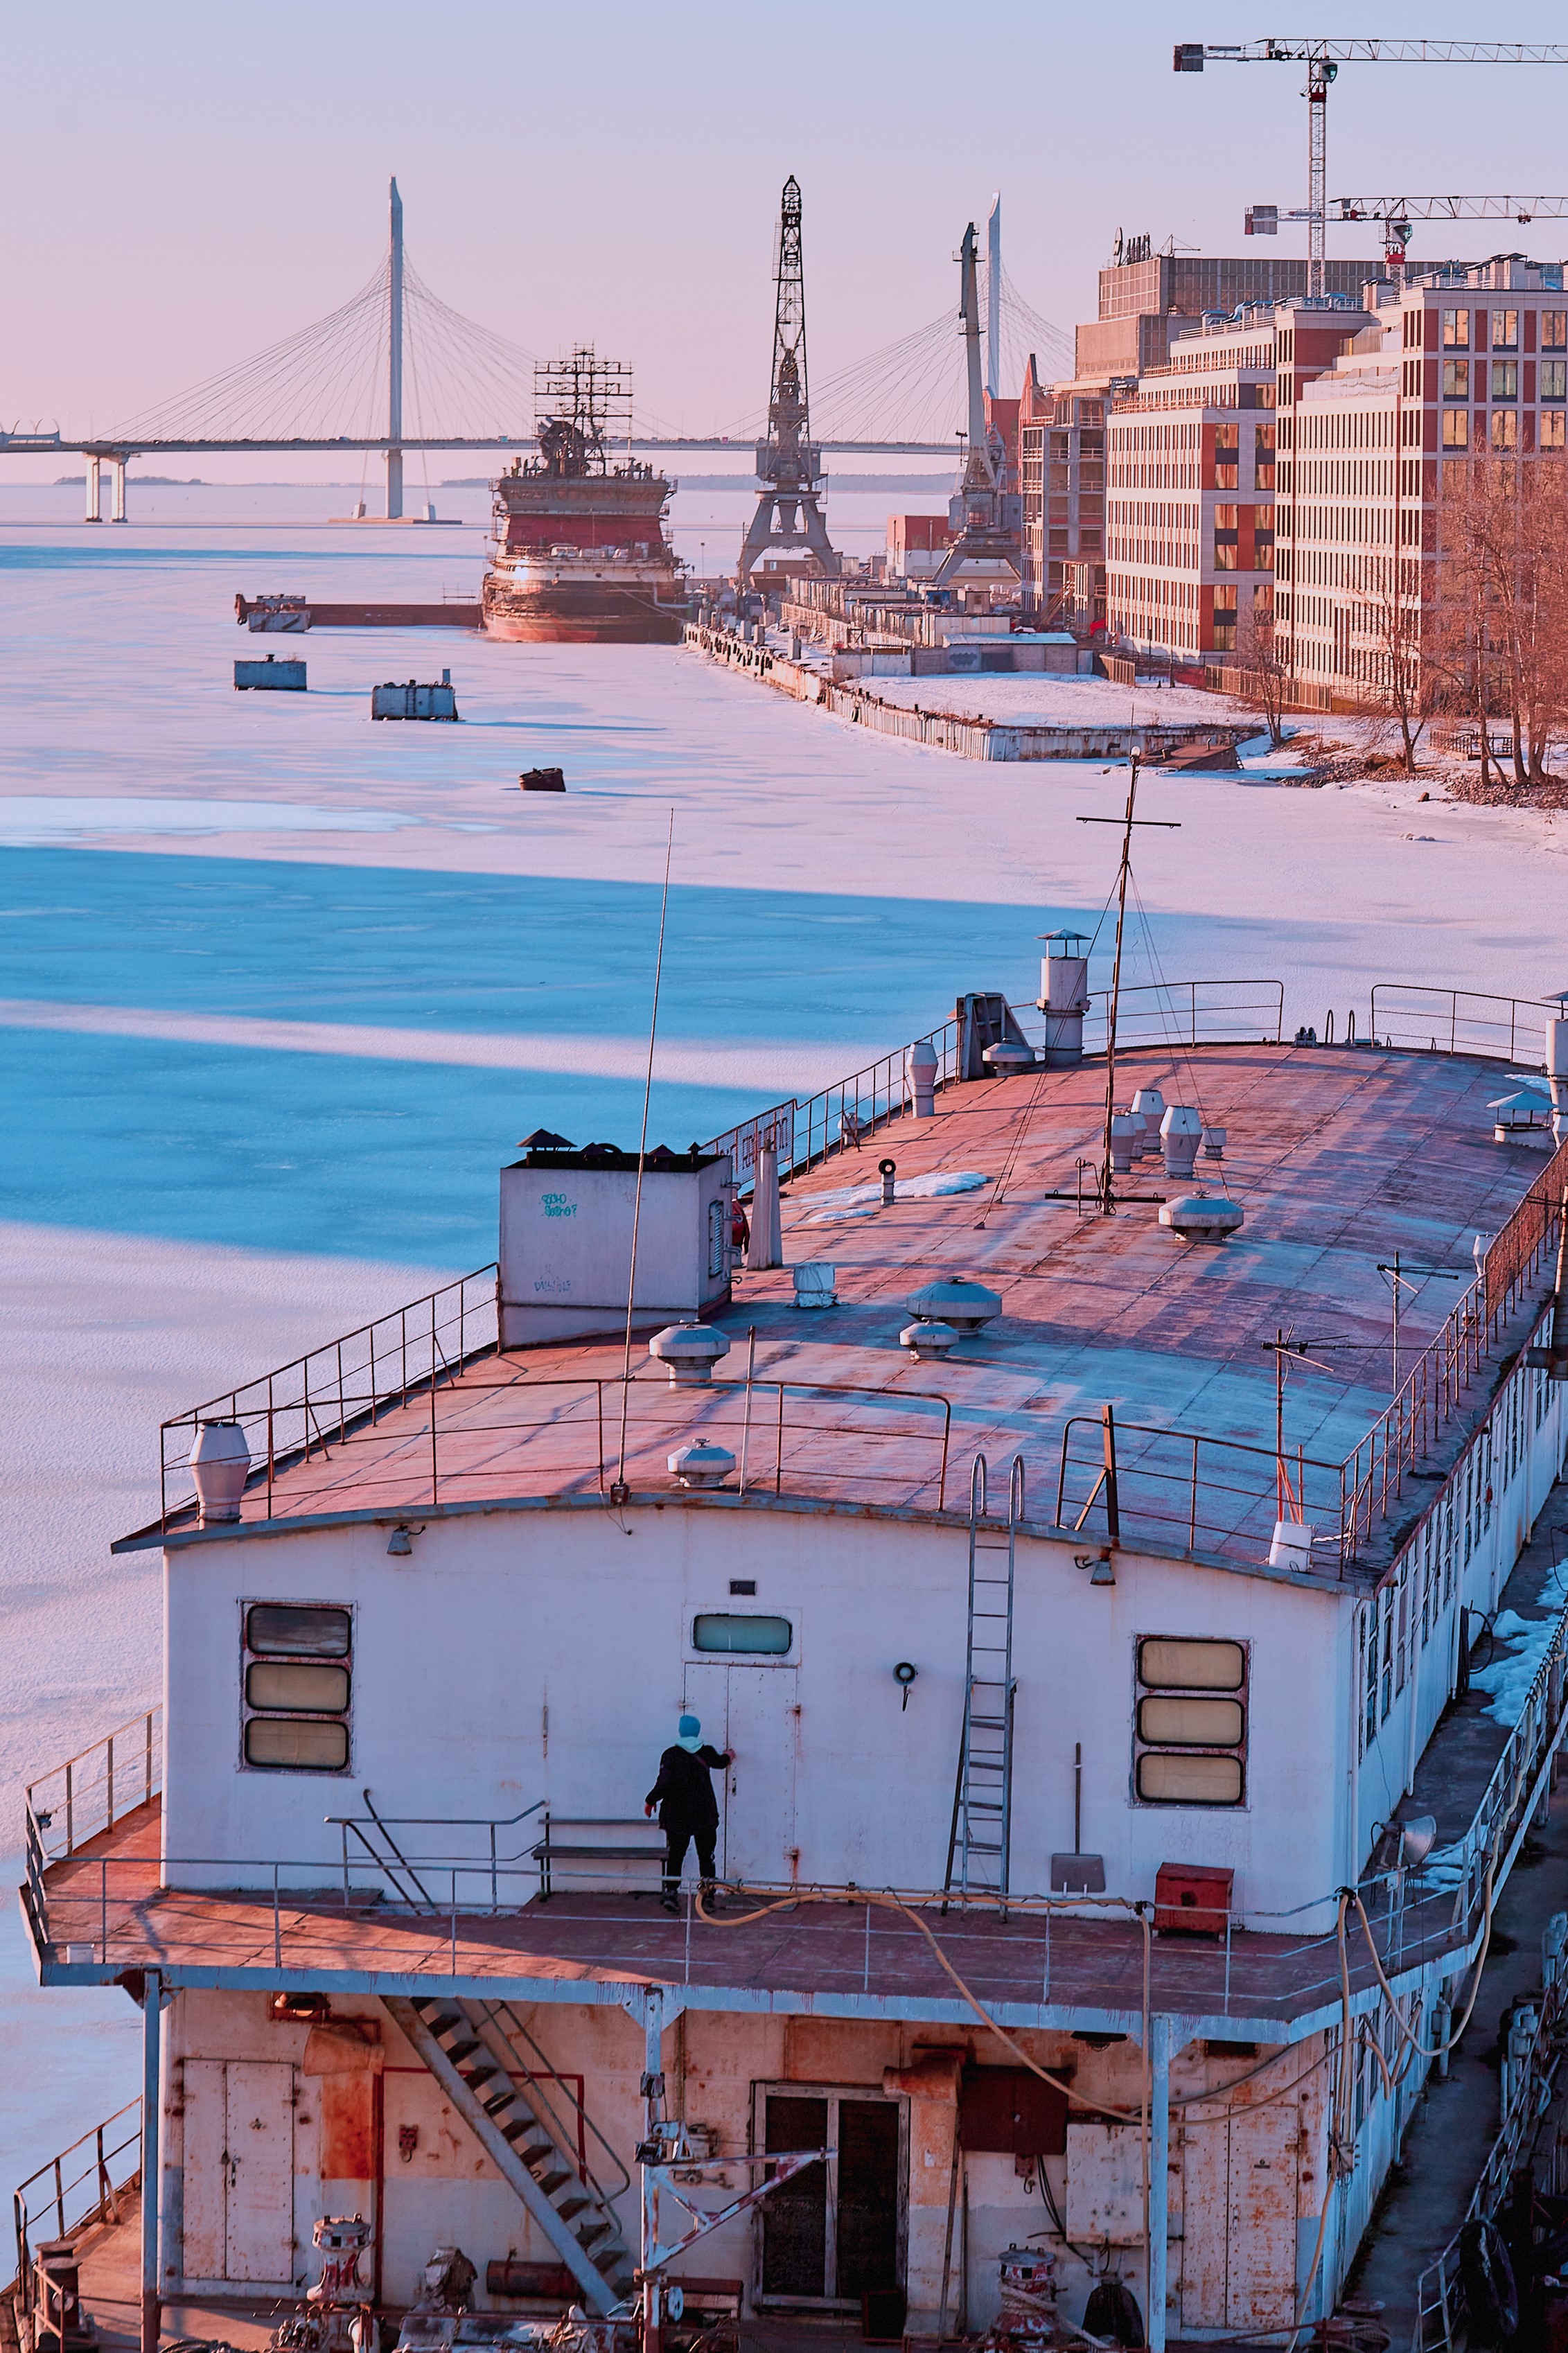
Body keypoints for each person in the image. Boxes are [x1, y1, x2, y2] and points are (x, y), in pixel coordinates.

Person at [645, 1713, 733, 1914]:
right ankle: (707, 1898)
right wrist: (729, 1755)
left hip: (677, 1815)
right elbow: (721, 1762)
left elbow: (663, 1782)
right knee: (706, 1857)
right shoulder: (707, 1751)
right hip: (705, 1815)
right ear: (697, 1731)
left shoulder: (670, 1754)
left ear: (680, 1731)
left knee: (676, 1856)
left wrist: (650, 1801)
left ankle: (671, 1894)